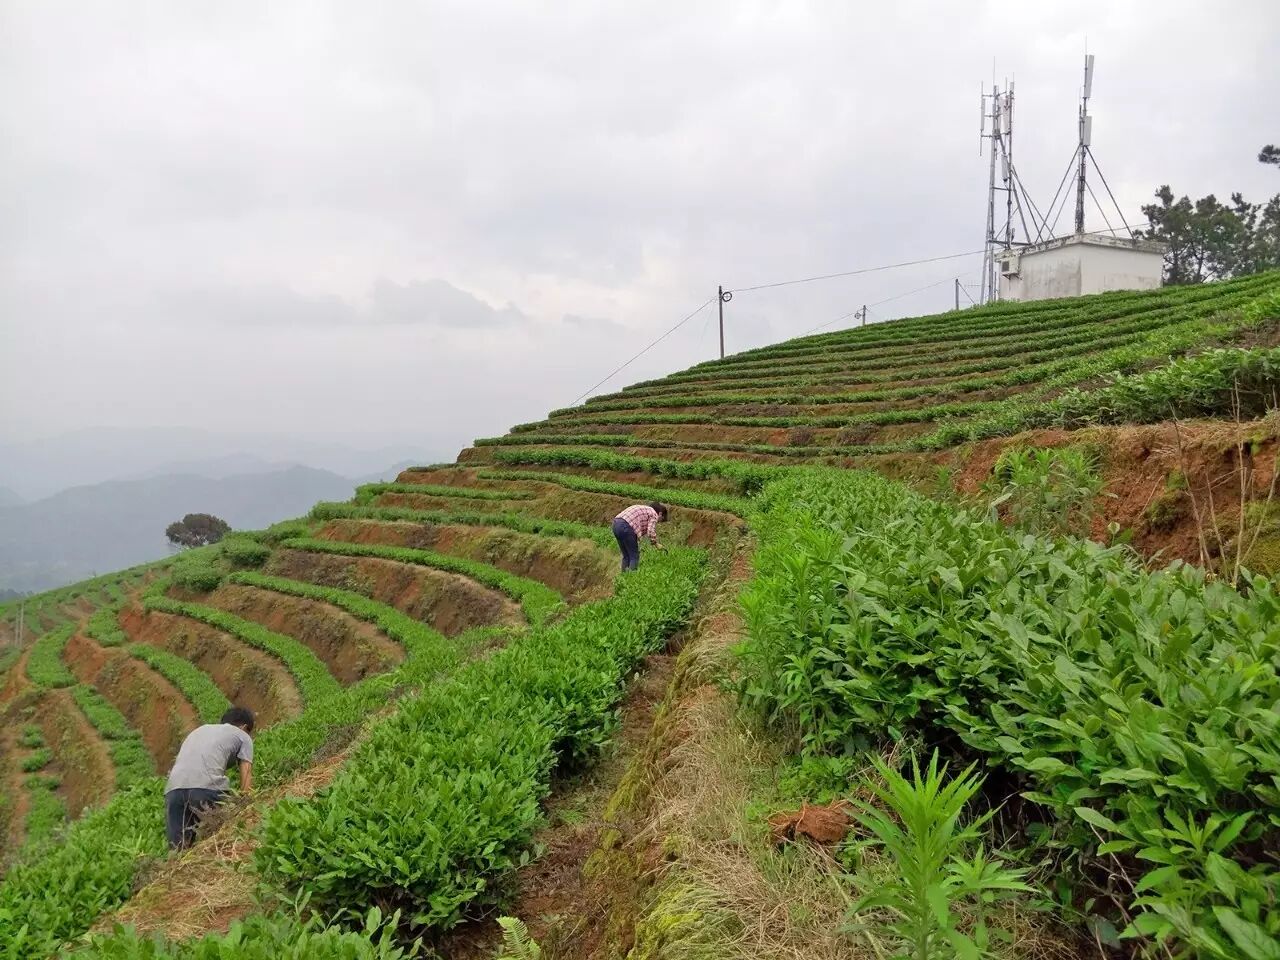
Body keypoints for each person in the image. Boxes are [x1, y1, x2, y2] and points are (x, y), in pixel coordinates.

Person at [164, 705, 255, 850]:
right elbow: (246, 771)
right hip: (206, 788)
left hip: (173, 789)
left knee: (179, 850)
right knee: (221, 839)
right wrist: (246, 804)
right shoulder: (243, 736)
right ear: (244, 727)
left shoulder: (199, 731)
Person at [612, 502, 668, 572]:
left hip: (616, 524)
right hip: (625, 526)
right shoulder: (654, 514)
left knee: (626, 556)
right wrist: (656, 544)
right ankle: (631, 578)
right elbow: (650, 531)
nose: (658, 522)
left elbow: (635, 531)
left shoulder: (645, 510)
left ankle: (623, 577)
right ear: (660, 514)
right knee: (634, 556)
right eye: (661, 519)